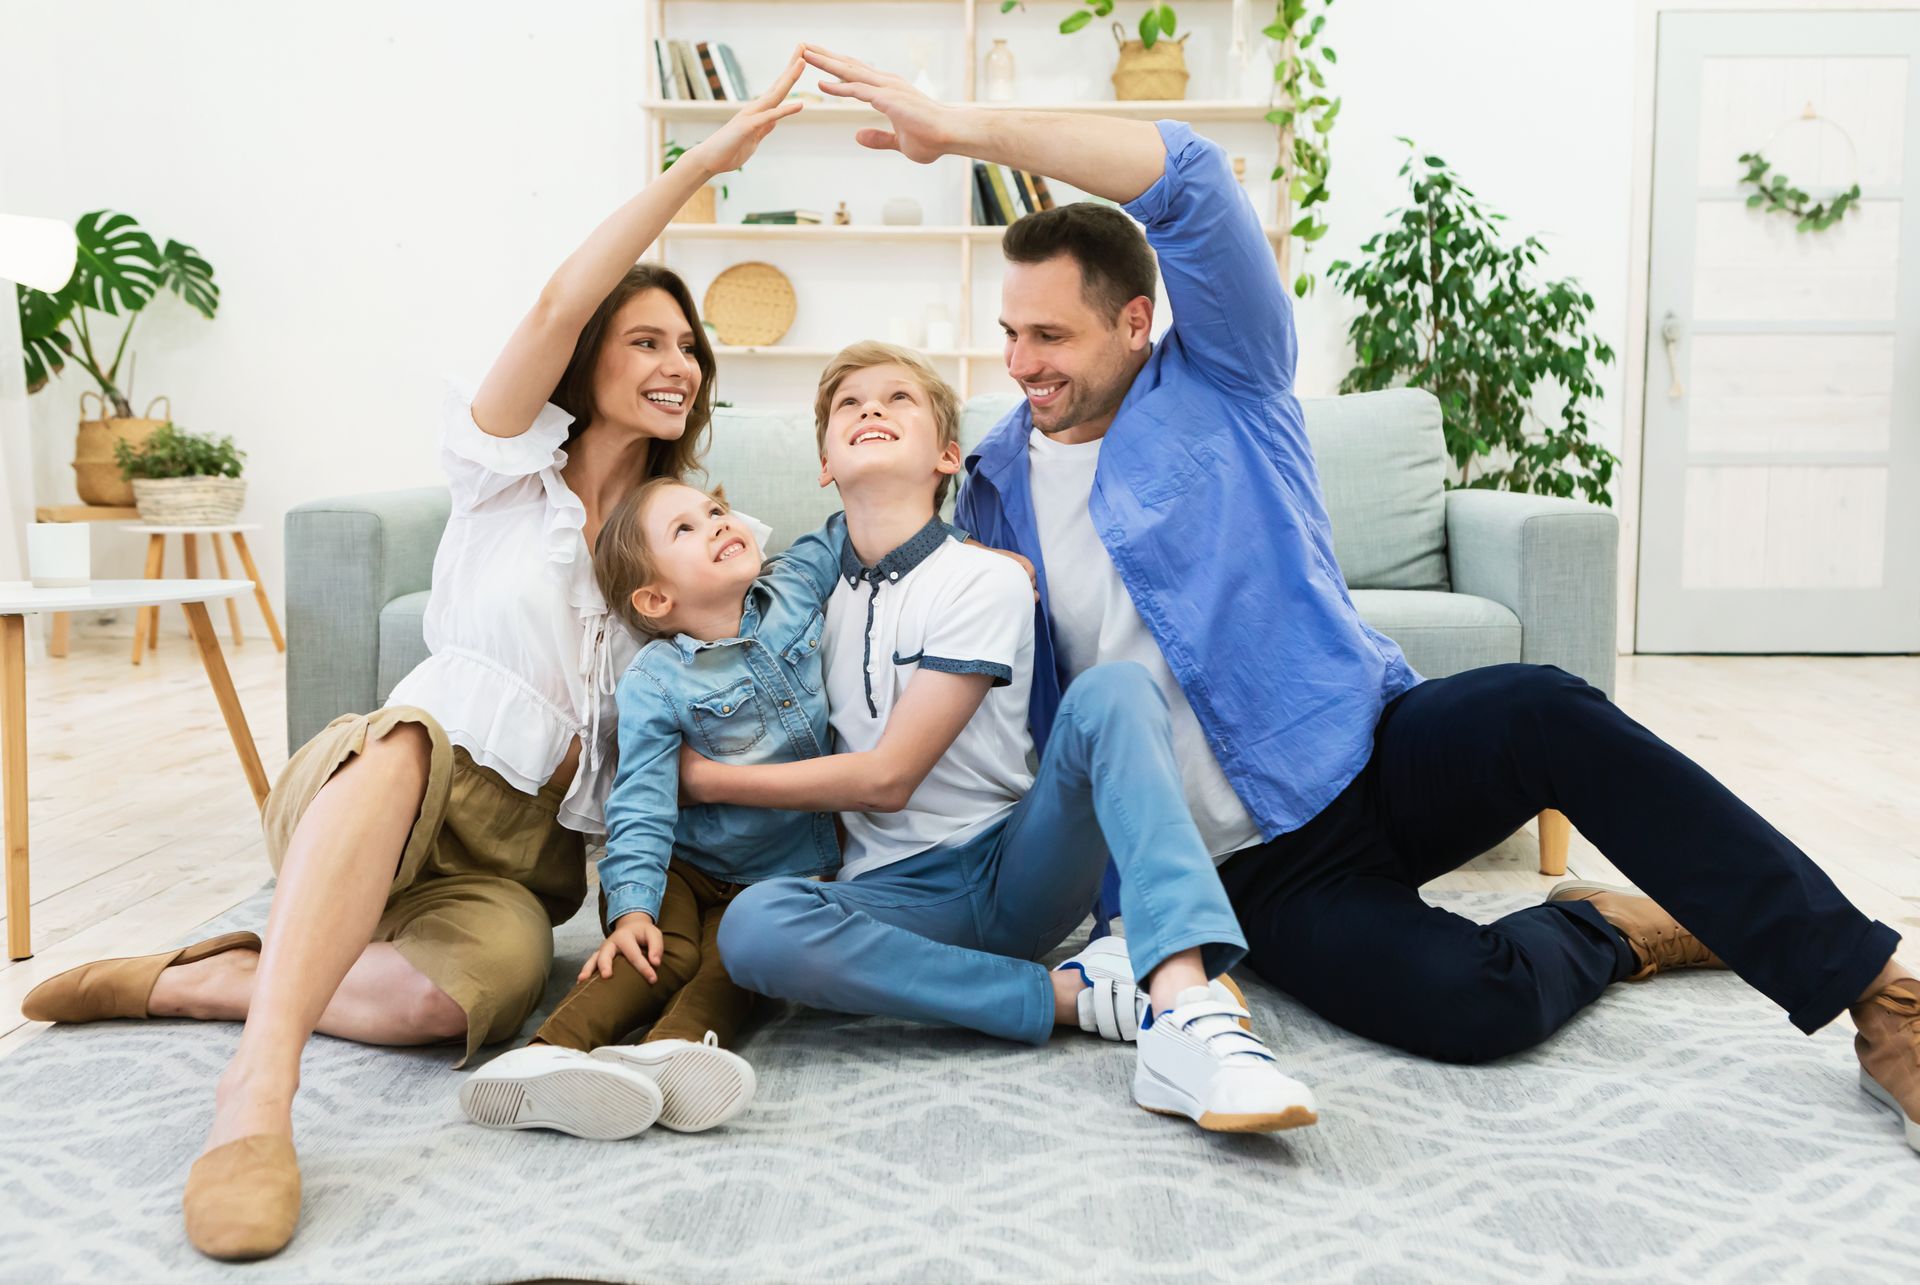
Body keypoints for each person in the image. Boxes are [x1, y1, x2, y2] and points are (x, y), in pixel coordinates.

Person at [794, 45, 1920, 1156]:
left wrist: (965, 130)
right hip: (1247, 870)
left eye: (1050, 335)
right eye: (1009, 335)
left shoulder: (1228, 373)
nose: (1023, 361)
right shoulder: (985, 484)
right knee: (1467, 1008)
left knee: (1548, 710)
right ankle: (1605, 925)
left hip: (1369, 751)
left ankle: (1881, 999)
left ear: (1138, 323)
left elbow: (1184, 175)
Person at [19, 53, 811, 1260]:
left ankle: (198, 977)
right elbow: (554, 302)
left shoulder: (674, 541)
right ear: (589, 355)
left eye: (690, 349)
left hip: (522, 856)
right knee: (403, 742)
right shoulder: (504, 475)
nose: (678, 364)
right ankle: (255, 1100)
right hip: (394, 778)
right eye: (646, 338)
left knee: (451, 1005)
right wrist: (705, 165)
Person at [694, 341, 1319, 1134]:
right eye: (848, 406)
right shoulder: (802, 600)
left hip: (1014, 865)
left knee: (1117, 688)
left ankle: (1185, 1009)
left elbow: (890, 778)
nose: (871, 411)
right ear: (824, 460)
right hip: (892, 894)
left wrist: (708, 779)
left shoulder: (985, 577)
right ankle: (1069, 997)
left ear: (947, 455)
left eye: (898, 400)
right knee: (755, 925)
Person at [456, 479, 858, 1140]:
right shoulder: (654, 679)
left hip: (774, 877)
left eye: (717, 511)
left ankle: (674, 1056)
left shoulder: (794, 590)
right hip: (678, 866)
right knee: (658, 953)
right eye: (686, 530)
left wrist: (976, 549)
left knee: (734, 962)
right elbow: (641, 799)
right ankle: (542, 1060)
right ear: (655, 599)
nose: (719, 524)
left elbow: (861, 524)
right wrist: (634, 906)